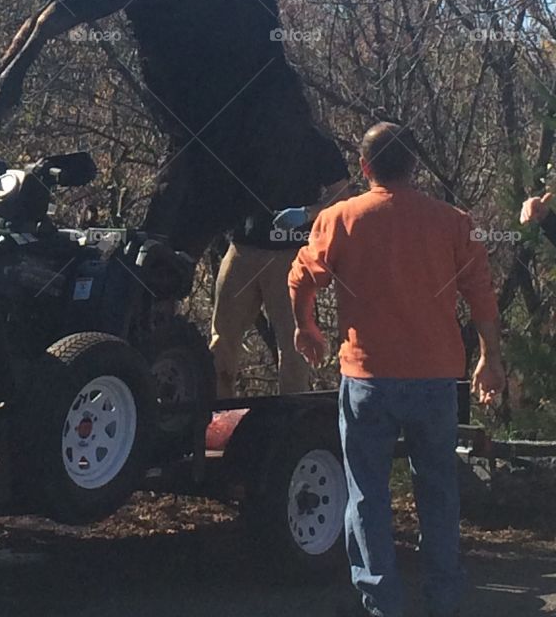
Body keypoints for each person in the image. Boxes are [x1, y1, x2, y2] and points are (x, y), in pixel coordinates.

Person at [289, 122, 504, 617]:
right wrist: (490, 357)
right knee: (439, 489)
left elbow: (302, 274)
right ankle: (442, 598)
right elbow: (481, 292)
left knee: (367, 493)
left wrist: (307, 328)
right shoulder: (452, 221)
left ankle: (382, 601)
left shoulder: (342, 218)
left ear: (365, 168)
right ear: (415, 165)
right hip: (434, 378)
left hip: (368, 379)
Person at [210, 172, 352, 397]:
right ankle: (217, 414)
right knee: (221, 340)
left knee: (294, 344)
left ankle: (291, 420)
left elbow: (341, 195)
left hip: (289, 254)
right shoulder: (243, 137)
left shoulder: (314, 139)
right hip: (242, 249)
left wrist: (307, 214)